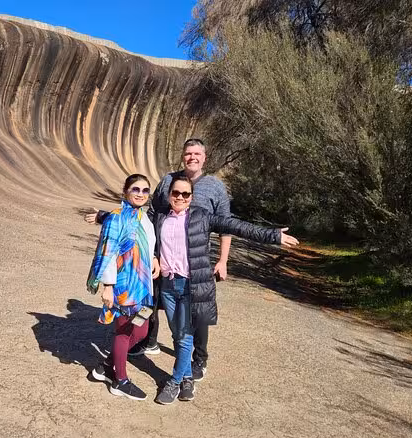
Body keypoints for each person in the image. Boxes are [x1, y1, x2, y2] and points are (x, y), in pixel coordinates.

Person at [85, 138, 230, 381]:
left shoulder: (215, 187)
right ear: (182, 156)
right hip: (162, 261)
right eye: (188, 153)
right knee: (154, 303)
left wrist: (222, 260)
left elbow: (226, 226)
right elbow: (145, 213)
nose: (192, 157)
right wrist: (105, 216)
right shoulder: (167, 181)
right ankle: (147, 341)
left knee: (198, 313)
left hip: (195, 263)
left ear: (205, 157)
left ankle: (200, 359)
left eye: (197, 154)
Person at [153, 175, 299, 404]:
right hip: (168, 286)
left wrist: (273, 235)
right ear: (169, 194)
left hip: (192, 286)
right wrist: (103, 217)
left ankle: (174, 381)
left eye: (185, 194)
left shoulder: (202, 218)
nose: (180, 197)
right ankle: (188, 378)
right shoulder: (161, 218)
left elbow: (236, 226)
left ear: (192, 198)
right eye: (176, 193)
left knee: (183, 336)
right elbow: (136, 222)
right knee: (177, 334)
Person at [86, 174, 160, 401]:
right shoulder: (117, 218)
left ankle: (107, 366)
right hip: (122, 285)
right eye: (135, 189)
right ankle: (120, 380)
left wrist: (154, 258)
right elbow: (108, 251)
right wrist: (107, 287)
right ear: (126, 191)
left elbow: (147, 244)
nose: (140, 194)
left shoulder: (143, 218)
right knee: (124, 330)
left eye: (145, 190)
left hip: (141, 284)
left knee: (141, 330)